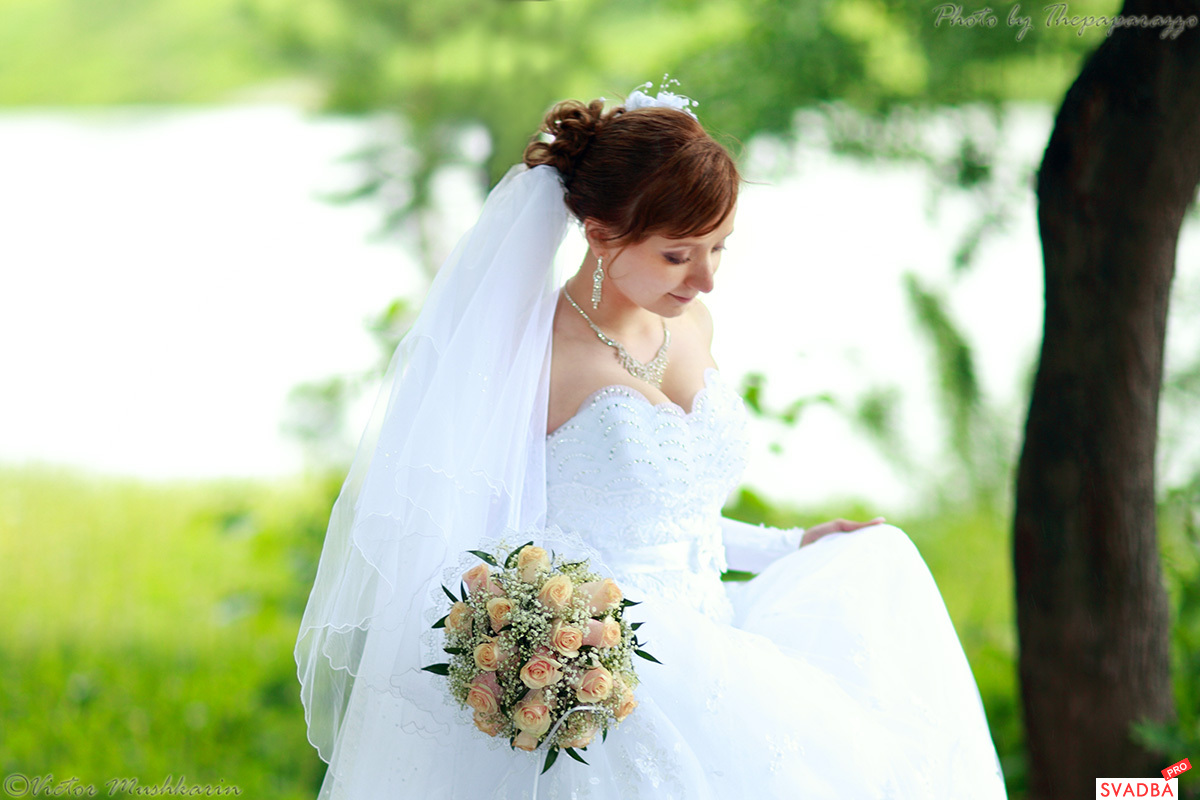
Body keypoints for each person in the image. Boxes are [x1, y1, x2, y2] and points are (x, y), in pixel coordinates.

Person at [295, 82, 1009, 799]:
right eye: (677, 255)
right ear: (602, 234)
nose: (704, 279)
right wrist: (548, 647)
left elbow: (675, 520)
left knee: (879, 575)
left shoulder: (690, 325)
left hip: (718, 646)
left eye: (719, 248)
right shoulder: (532, 362)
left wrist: (787, 546)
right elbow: (474, 543)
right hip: (616, 674)